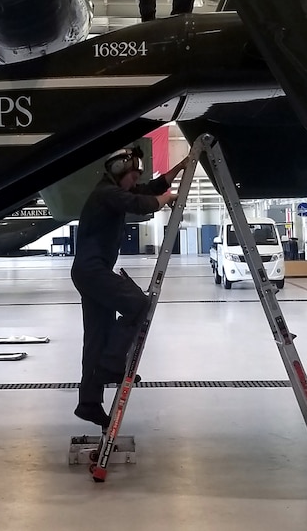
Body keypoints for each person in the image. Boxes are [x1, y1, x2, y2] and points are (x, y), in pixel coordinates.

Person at [71, 147, 189, 428]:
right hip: (93, 272)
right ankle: (112, 366)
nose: (134, 181)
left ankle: (88, 403)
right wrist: (168, 198)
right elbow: (140, 203)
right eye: (132, 175)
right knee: (138, 305)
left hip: (89, 273)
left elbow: (144, 190)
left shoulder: (114, 190)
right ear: (116, 172)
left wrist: (179, 169)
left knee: (96, 337)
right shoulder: (106, 194)